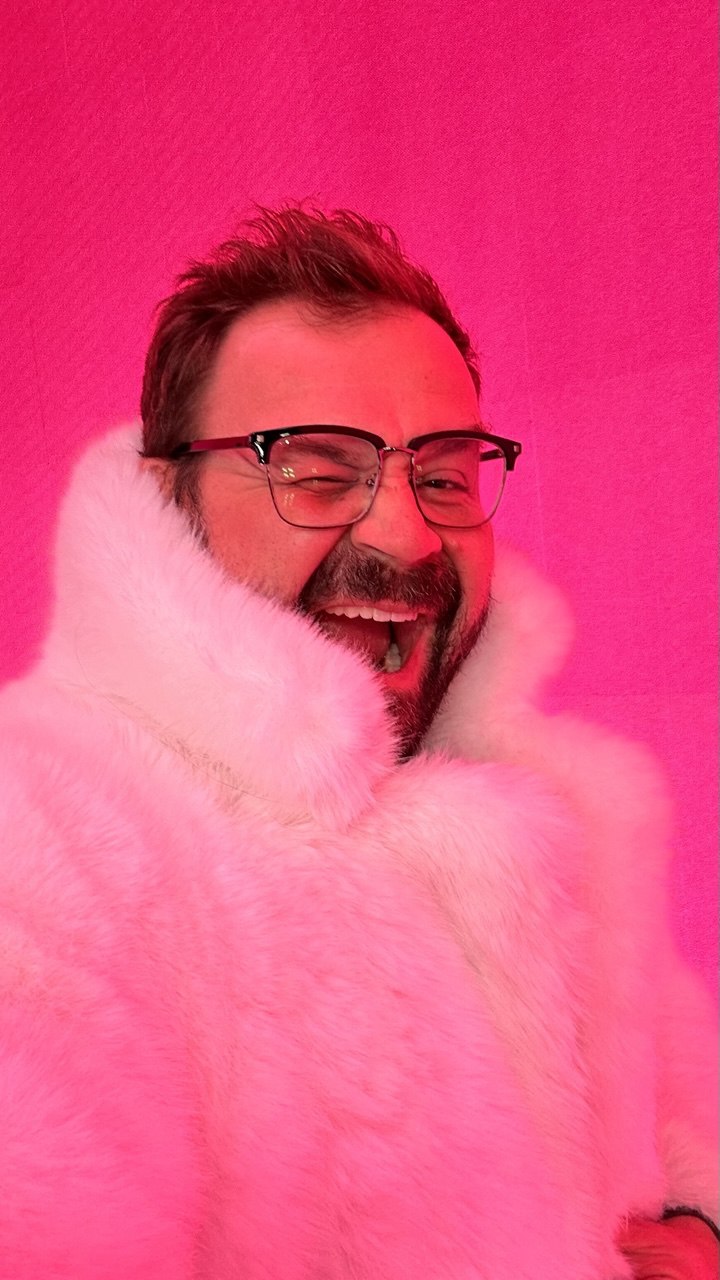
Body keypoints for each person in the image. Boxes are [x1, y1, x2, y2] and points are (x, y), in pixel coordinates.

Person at [0, 206, 716, 1279]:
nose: (406, 535)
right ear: (170, 491)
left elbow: (684, 1133)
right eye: (317, 468)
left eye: (442, 475)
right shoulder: (46, 826)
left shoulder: (544, 820)